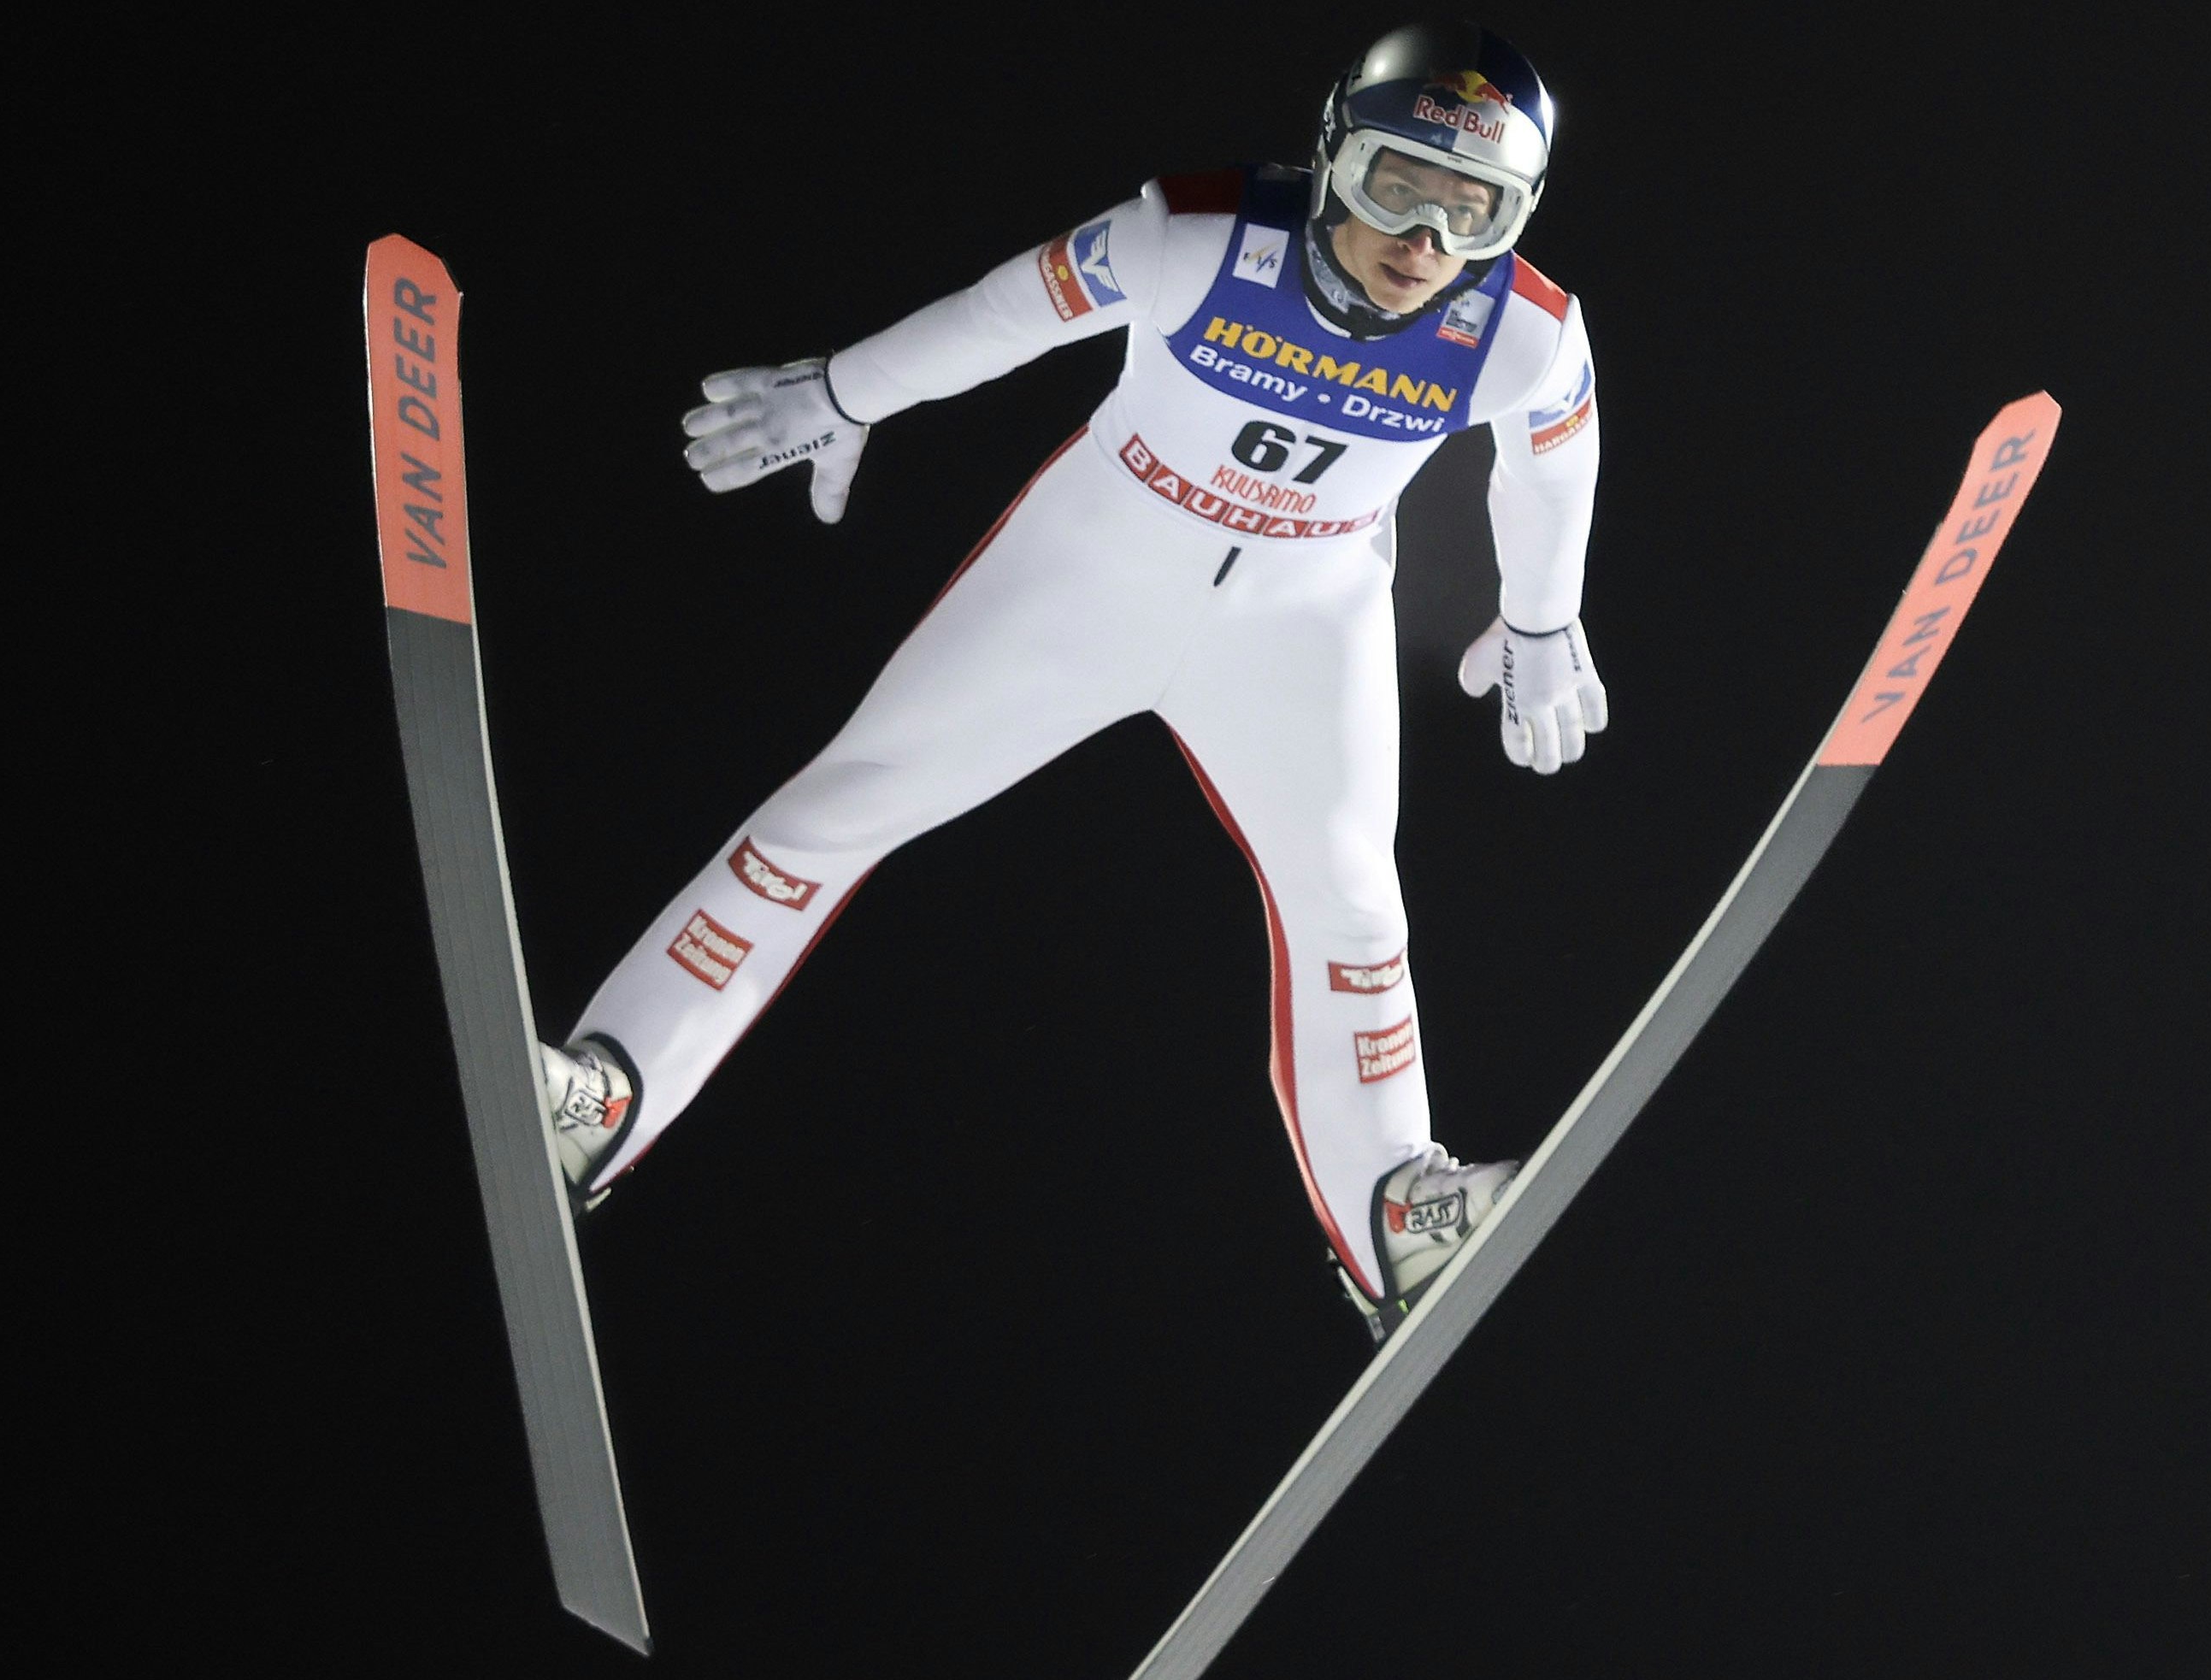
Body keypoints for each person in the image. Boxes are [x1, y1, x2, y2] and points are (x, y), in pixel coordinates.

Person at [538, 21, 1607, 1344]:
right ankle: (606, 1093)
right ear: (1334, 150)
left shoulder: (1521, 333)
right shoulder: (1195, 236)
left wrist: (1543, 621)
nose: (1427, 244)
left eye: (1475, 211)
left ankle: (1393, 1208)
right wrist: (845, 392)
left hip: (1303, 615)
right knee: (839, 806)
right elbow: (1004, 316)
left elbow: (1553, 461)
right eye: (1399, 187)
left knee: (1352, 904)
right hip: (1095, 567)